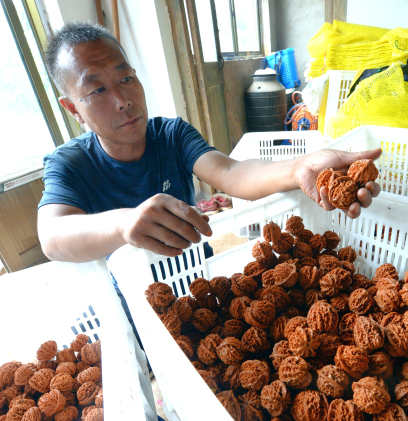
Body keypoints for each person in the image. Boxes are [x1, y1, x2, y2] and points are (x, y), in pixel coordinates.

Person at [37, 22, 381, 263]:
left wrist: (301, 167)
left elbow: (233, 173)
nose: (123, 99)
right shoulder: (69, 163)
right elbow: (52, 237)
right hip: (131, 291)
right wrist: (124, 222)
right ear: (73, 110)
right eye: (97, 89)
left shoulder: (171, 135)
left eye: (126, 78)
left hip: (195, 274)